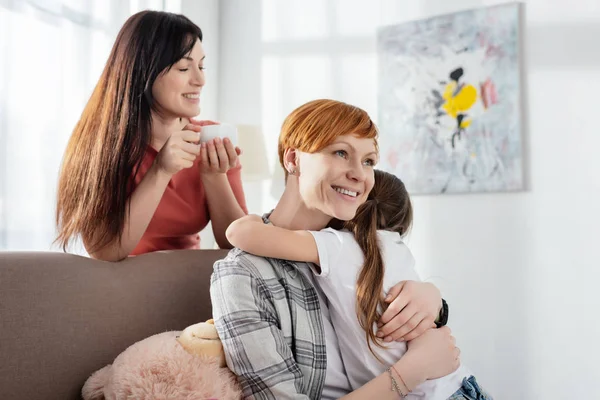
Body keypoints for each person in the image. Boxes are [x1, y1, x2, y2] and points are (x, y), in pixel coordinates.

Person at [210, 99, 457, 399]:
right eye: (341, 153)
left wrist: (434, 302)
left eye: (369, 162)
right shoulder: (244, 276)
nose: (361, 175)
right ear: (293, 159)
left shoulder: (359, 240)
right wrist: (412, 371)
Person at [227, 169, 491, 399]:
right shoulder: (395, 248)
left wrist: (252, 219)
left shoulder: (337, 246)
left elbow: (240, 233)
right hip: (455, 385)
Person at [55, 11, 247, 261]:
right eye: (184, 67)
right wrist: (160, 170)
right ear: (143, 71)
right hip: (125, 290)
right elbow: (104, 251)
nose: (200, 80)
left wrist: (214, 176)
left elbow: (236, 248)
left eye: (201, 66)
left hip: (192, 289)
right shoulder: (101, 145)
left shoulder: (210, 138)